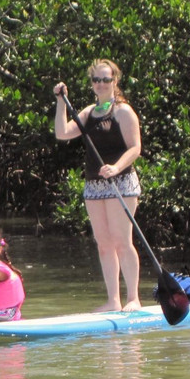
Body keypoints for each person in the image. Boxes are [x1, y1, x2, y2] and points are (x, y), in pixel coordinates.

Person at [54, 59, 143, 312]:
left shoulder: (123, 111)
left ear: (115, 81)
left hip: (121, 183)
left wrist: (116, 167)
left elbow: (135, 148)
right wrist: (61, 102)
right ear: (92, 84)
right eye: (96, 80)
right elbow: (62, 133)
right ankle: (113, 301)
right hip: (94, 186)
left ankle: (133, 298)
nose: (101, 84)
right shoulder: (88, 113)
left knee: (121, 241)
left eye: (106, 79)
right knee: (103, 243)